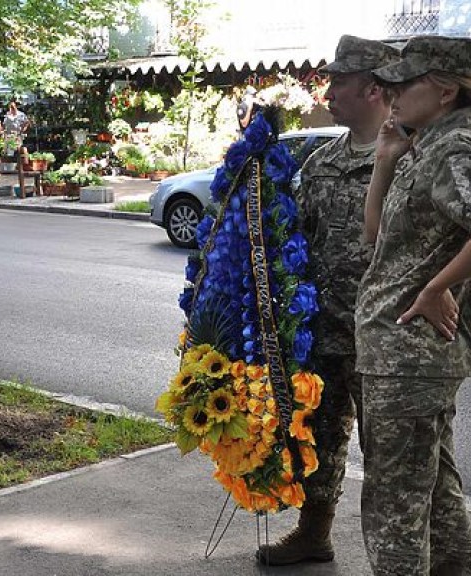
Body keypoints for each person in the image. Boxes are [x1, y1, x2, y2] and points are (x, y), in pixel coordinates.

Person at [257, 35, 399, 566]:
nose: (329, 89)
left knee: (392, 457)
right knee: (318, 439)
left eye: (339, 80)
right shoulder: (321, 162)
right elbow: (301, 242)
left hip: (387, 337)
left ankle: (413, 555)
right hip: (325, 332)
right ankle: (314, 534)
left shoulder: (407, 156)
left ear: (373, 88)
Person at [357, 35, 471, 575]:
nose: (390, 93)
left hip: (408, 357)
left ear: (446, 89)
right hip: (402, 357)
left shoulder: (453, 148)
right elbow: (379, 237)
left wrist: (434, 288)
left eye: (405, 82)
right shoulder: (425, 144)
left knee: (394, 506)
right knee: (437, 492)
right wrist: (385, 162)